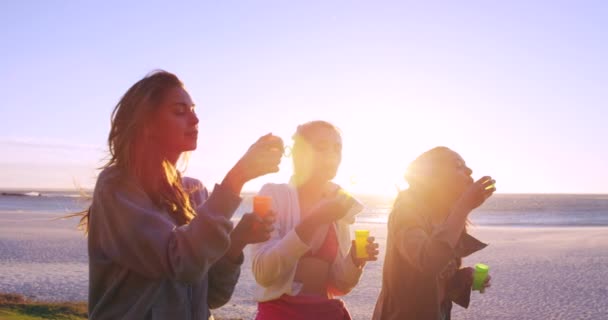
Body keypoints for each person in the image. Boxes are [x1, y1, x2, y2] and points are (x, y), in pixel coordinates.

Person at [80, 70, 283, 319]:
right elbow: (180, 262)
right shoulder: (117, 186)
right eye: (179, 111)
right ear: (147, 124)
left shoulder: (195, 192)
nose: (195, 119)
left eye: (194, 109)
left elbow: (212, 296)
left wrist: (236, 242)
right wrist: (236, 179)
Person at [250, 120, 380, 320]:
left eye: (337, 149)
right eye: (321, 147)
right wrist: (314, 221)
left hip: (326, 313)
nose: (332, 155)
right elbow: (263, 273)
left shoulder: (339, 203)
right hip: (280, 314)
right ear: (300, 153)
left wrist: (355, 260)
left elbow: (340, 284)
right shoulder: (272, 195)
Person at [373, 146, 494, 320]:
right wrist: (463, 207)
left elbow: (433, 281)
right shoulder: (407, 211)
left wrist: (465, 276)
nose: (469, 170)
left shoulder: (448, 219)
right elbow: (428, 260)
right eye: (458, 165)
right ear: (433, 177)